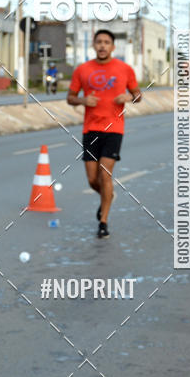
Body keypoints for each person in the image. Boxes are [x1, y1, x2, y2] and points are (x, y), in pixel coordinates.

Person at [67, 29, 141, 238]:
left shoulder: (125, 69)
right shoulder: (82, 69)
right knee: (92, 179)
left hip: (114, 128)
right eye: (99, 42)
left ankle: (103, 222)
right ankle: (107, 197)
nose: (102, 46)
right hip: (90, 129)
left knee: (105, 174)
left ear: (113, 47)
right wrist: (83, 100)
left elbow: (138, 96)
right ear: (93, 44)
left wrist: (128, 97)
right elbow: (70, 97)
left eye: (106, 42)